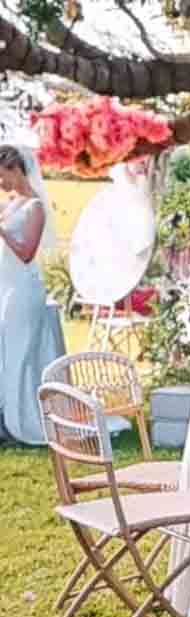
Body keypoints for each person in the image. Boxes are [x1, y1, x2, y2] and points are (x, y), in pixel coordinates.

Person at [0, 143, 61, 445]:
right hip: (7, 287)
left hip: (25, 289)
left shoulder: (35, 206)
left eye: (2, 176)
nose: (1, 184)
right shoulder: (11, 202)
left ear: (15, 168)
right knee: (7, 353)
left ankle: (24, 421)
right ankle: (8, 418)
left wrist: (1, 231)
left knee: (22, 354)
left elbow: (26, 252)